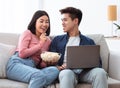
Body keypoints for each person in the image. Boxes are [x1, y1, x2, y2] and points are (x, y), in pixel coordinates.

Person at [49, 7, 108, 88]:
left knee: (100, 72)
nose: (62, 23)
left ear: (75, 21)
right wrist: (59, 67)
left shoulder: (89, 41)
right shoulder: (57, 40)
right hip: (67, 72)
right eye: (62, 20)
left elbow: (98, 63)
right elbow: (51, 62)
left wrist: (84, 65)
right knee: (66, 73)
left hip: (85, 72)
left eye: (65, 20)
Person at [6, 10, 59, 88]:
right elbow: (22, 54)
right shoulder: (28, 33)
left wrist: (47, 62)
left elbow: (41, 65)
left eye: (47, 22)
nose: (44, 24)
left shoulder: (48, 41)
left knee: (55, 71)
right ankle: (37, 80)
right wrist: (40, 43)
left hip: (33, 68)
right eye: (41, 21)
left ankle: (37, 81)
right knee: (39, 75)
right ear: (35, 22)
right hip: (17, 64)